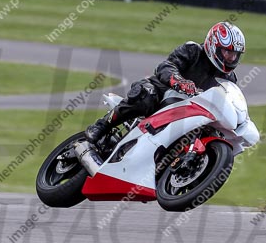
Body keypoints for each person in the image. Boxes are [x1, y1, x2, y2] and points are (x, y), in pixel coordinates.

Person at [85, 21, 246, 165]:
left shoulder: (229, 79)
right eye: (227, 52)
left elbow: (229, 100)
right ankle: (102, 125)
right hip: (163, 94)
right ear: (213, 45)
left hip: (192, 113)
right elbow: (166, 66)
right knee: (146, 95)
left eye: (235, 54)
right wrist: (179, 82)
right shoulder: (193, 50)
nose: (231, 58)